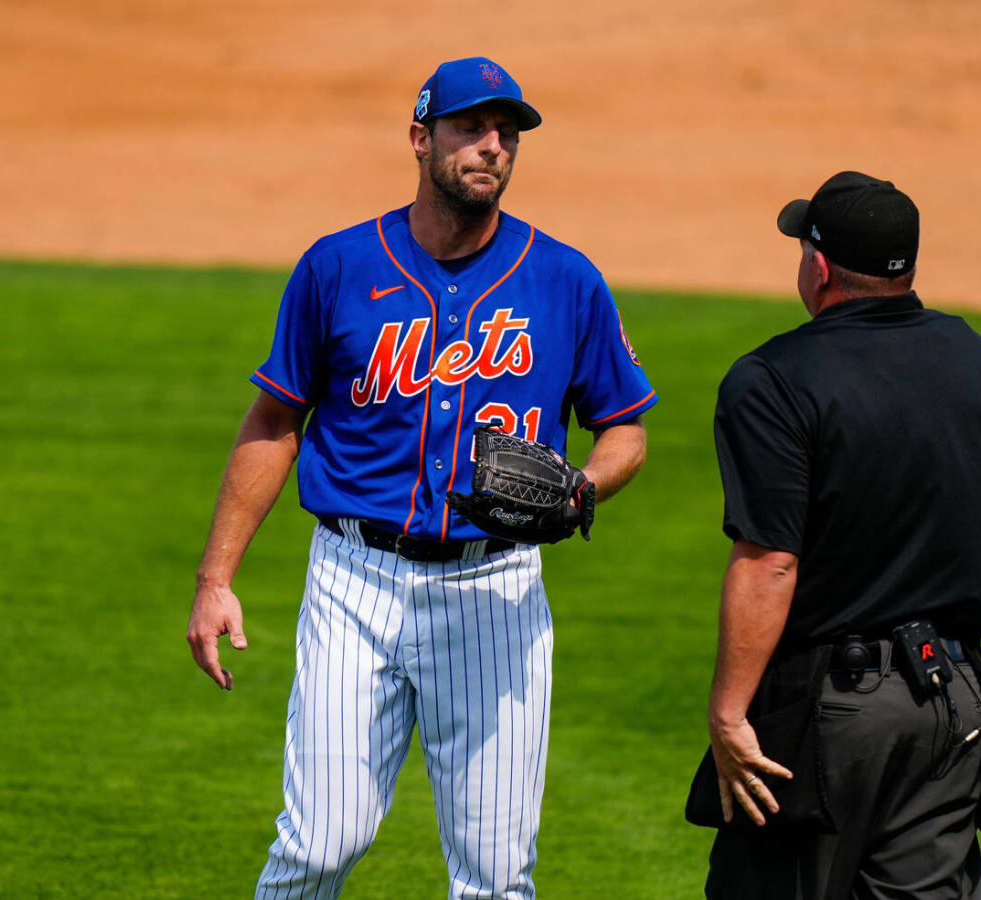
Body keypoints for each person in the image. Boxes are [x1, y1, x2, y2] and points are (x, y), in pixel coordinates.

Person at [185, 56, 657, 900]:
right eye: (471, 129)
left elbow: (625, 426)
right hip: (353, 579)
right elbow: (274, 421)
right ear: (419, 139)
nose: (492, 147)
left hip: (496, 595)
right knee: (320, 844)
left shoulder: (564, 280)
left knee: (495, 875)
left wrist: (585, 484)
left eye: (506, 135)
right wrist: (216, 577)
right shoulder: (336, 268)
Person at [702, 171, 981, 899]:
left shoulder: (772, 379)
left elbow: (770, 562)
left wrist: (730, 713)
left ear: (819, 266)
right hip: (954, 703)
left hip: (831, 718)